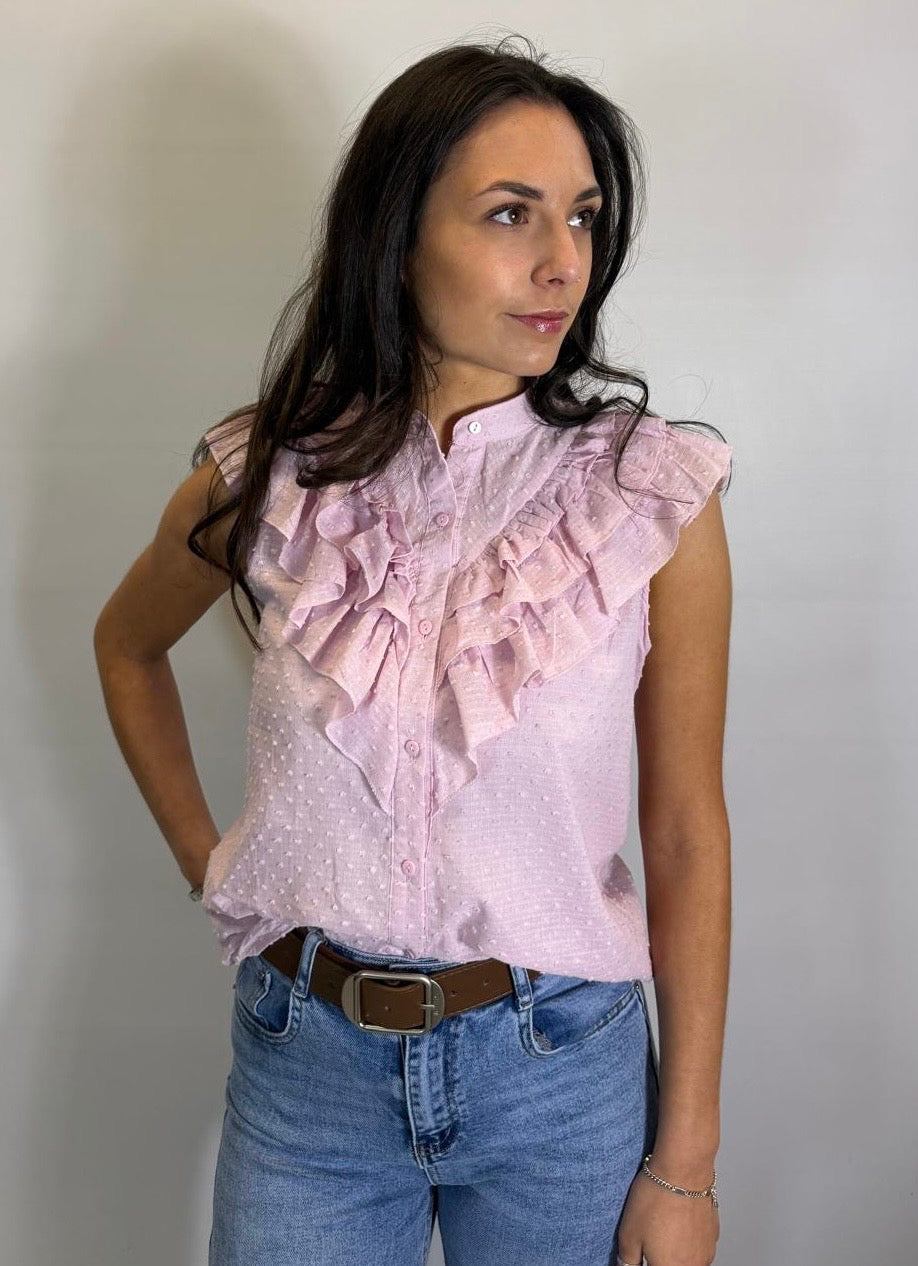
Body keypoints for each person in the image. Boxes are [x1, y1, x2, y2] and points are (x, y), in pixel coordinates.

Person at [93, 33, 732, 1266]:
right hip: (305, 1073)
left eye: (582, 219)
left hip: (560, 1073)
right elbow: (127, 649)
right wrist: (210, 864)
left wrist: (686, 1167)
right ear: (396, 236)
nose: (563, 264)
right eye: (510, 215)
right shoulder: (270, 475)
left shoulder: (648, 499)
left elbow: (687, 837)